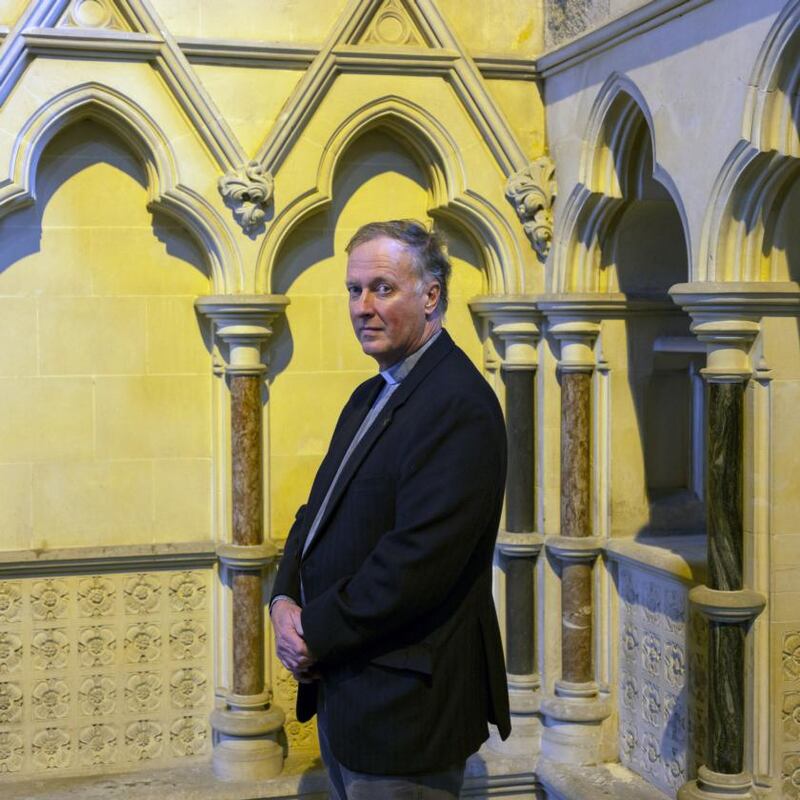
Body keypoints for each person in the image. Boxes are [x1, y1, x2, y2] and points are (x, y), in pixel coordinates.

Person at [270, 219, 510, 799]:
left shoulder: (458, 405)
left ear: (431, 296)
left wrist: (312, 632)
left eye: (382, 288)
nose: (362, 307)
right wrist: (281, 599)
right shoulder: (373, 393)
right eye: (354, 290)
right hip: (350, 693)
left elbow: (415, 565)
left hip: (406, 712)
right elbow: (316, 513)